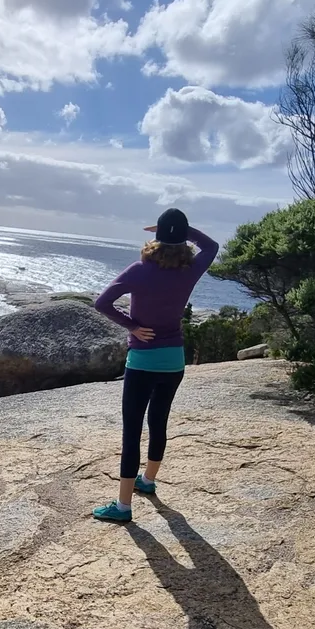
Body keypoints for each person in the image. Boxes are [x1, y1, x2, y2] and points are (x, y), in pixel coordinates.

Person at [90, 208, 219, 523]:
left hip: (143, 360)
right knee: (158, 421)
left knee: (132, 430)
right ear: (183, 240)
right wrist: (184, 231)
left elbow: (101, 302)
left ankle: (122, 507)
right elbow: (212, 247)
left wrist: (131, 326)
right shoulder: (190, 269)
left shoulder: (138, 270)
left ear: (156, 237)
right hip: (173, 360)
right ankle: (147, 481)